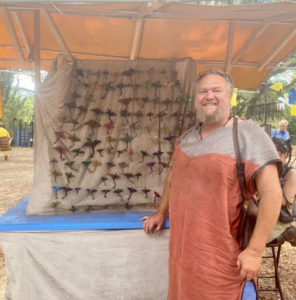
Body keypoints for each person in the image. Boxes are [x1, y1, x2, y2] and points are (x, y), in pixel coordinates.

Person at [142, 69, 282, 299]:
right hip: (182, 254)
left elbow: (273, 194)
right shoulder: (186, 139)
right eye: (202, 91)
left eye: (216, 90)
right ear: (196, 98)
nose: (209, 96)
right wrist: (160, 213)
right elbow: (173, 179)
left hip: (220, 258)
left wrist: (255, 251)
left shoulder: (248, 134)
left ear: (230, 94)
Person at [268, 138, 296, 246]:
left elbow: (284, 202)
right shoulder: (270, 169)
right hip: (267, 211)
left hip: (280, 218)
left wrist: (266, 190)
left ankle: (288, 232)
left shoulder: (291, 174)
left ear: (284, 154)